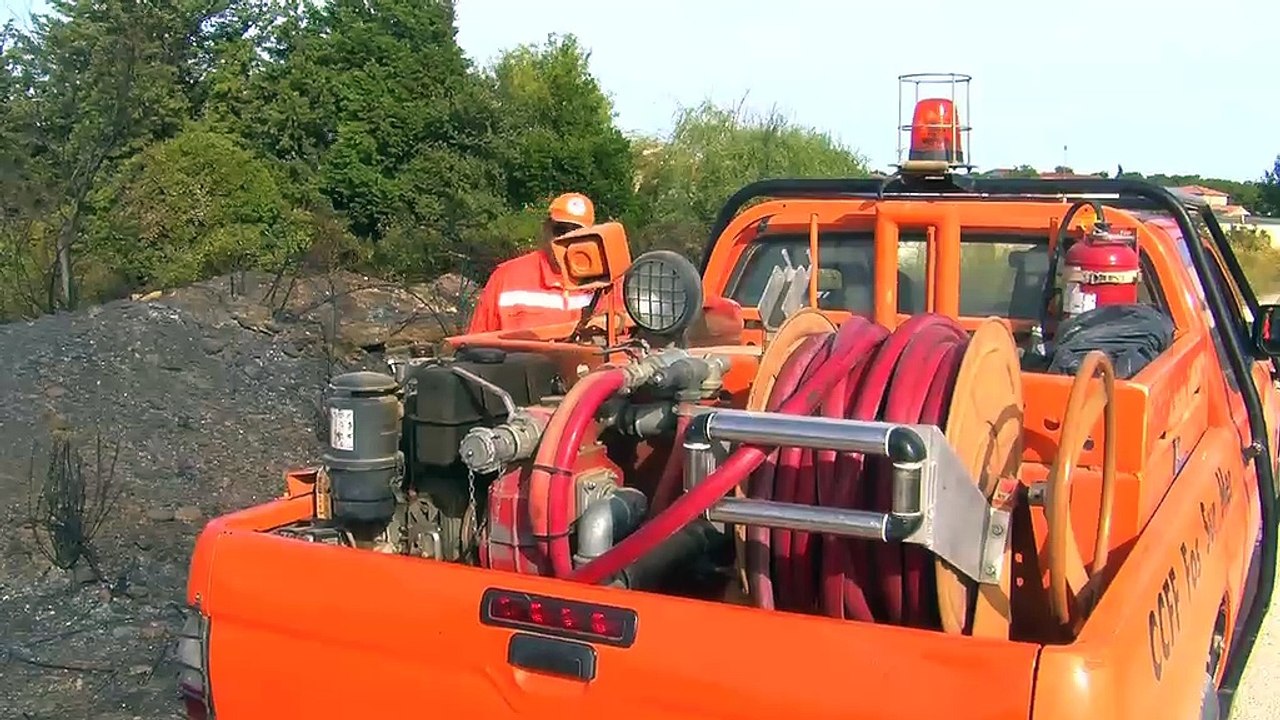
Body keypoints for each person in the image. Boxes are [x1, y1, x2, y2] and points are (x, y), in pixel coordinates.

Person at [467, 192, 607, 334]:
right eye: (561, 230)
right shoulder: (506, 278)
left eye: (577, 233)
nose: (568, 239)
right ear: (546, 229)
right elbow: (475, 344)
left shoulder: (607, 282)